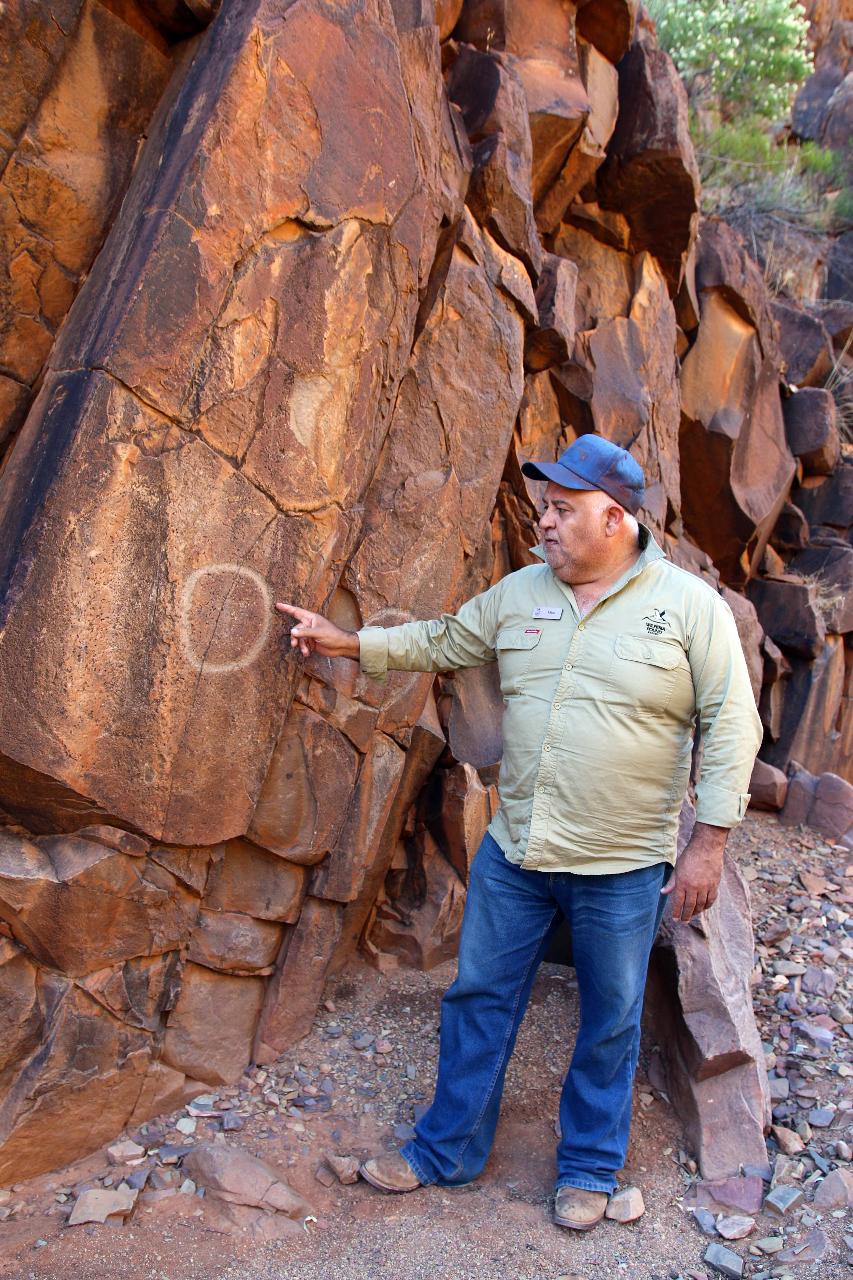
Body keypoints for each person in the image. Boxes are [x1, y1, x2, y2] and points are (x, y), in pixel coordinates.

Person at [276, 435, 763, 1232]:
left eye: (561, 510)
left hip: (621, 863)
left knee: (610, 1017)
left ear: (614, 518)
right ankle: (445, 1151)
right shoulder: (520, 594)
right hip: (518, 851)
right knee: (478, 998)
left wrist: (707, 844)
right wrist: (349, 642)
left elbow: (730, 724)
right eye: (542, 506)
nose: (543, 521)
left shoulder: (688, 608)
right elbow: (444, 640)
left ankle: (589, 1169)